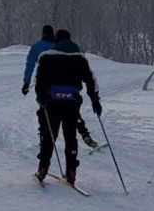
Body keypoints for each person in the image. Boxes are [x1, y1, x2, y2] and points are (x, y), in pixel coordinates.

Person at [33, 29, 102, 185]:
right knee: (70, 136)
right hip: (72, 103)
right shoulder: (80, 58)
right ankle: (71, 171)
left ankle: (43, 167)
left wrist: (41, 99)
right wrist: (95, 100)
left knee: (48, 134)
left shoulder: (47, 57)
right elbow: (91, 80)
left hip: (52, 103)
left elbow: (40, 81)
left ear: (57, 41)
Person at [23, 24, 99, 150]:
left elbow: (30, 64)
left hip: (45, 86)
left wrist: (26, 83)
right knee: (72, 112)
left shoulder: (37, 47)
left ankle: (44, 138)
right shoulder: (60, 45)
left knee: (45, 112)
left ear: (43, 33)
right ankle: (85, 134)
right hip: (67, 85)